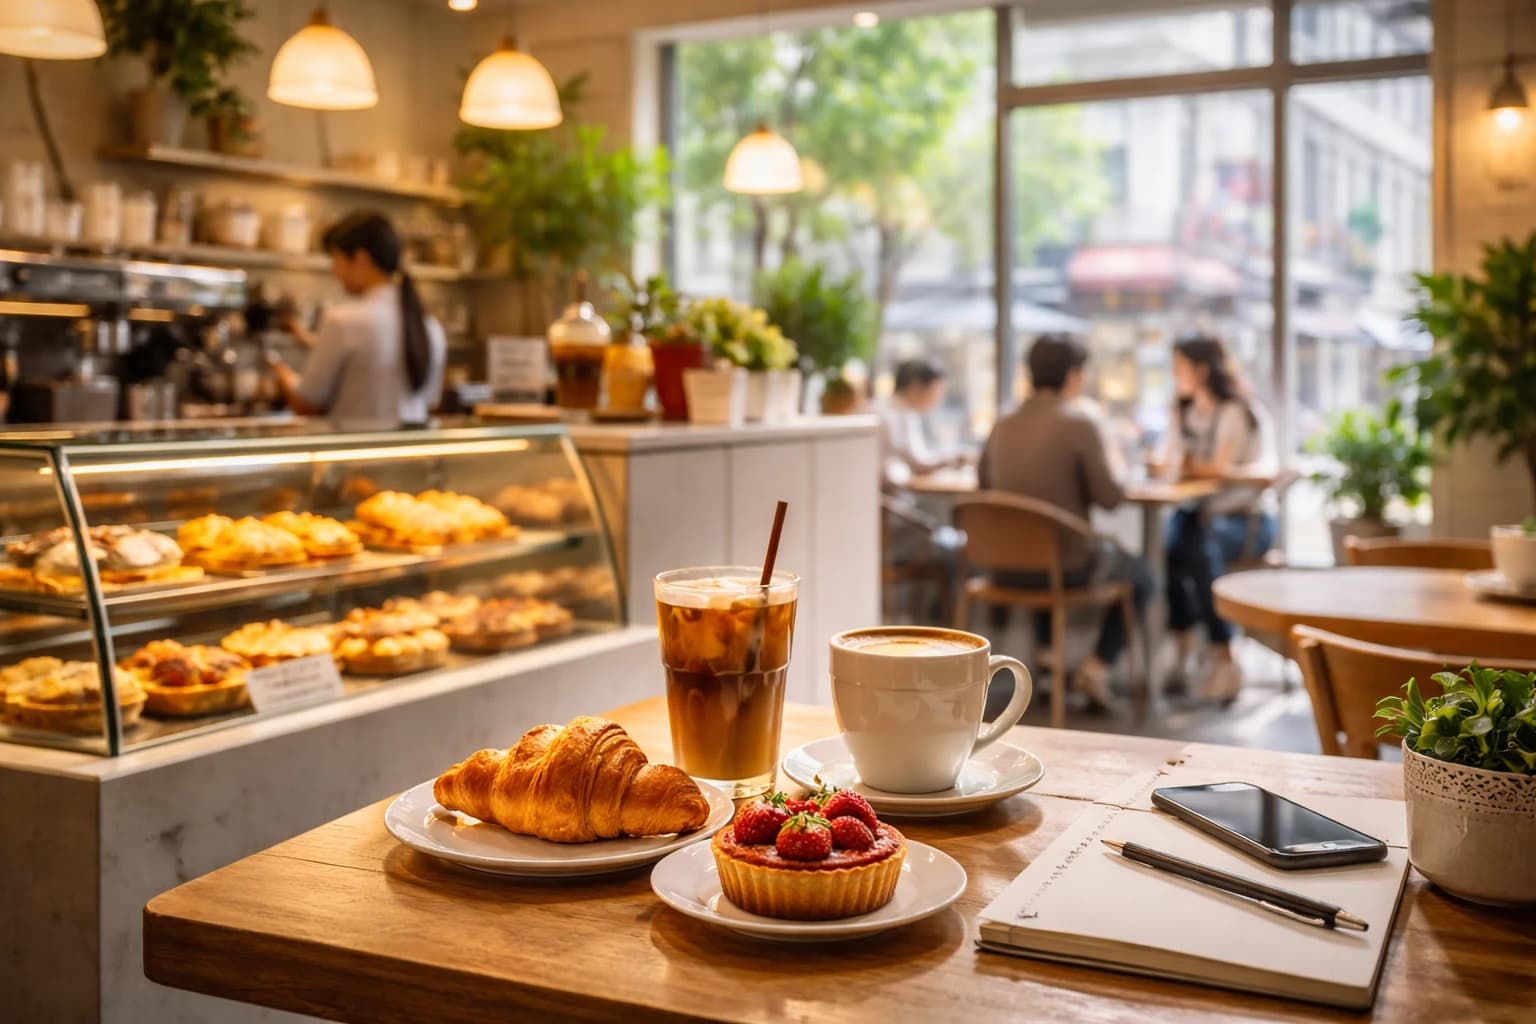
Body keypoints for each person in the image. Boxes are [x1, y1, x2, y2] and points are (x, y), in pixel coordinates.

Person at [979, 334, 1152, 713]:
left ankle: (1046, 666)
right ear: (1074, 377)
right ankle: (1095, 669)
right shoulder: (1079, 424)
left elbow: (982, 486)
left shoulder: (1002, 424)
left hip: (1000, 567)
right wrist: (1121, 464)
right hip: (1063, 569)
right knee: (1142, 575)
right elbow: (1110, 497)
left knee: (1044, 547)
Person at [1159, 334, 1277, 705]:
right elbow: (1173, 462)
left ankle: (1224, 655)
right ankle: (1183, 648)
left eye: (1180, 367)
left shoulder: (1234, 411)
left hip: (1247, 521)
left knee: (1199, 547)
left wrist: (1187, 467)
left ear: (1202, 369)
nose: (1175, 375)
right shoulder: (1183, 410)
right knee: (1170, 547)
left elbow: (1219, 470)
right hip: (1200, 513)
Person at [274, 211, 446, 424]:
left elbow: (305, 404)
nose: (334, 272)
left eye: (336, 260)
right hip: (410, 455)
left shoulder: (343, 321)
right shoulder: (431, 326)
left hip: (353, 455)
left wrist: (284, 377)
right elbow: (430, 403)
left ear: (361, 259)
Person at [877, 359, 967, 489]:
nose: (939, 398)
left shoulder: (880, 406)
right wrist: (954, 460)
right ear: (916, 386)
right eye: (937, 390)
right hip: (891, 501)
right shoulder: (901, 415)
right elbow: (919, 463)